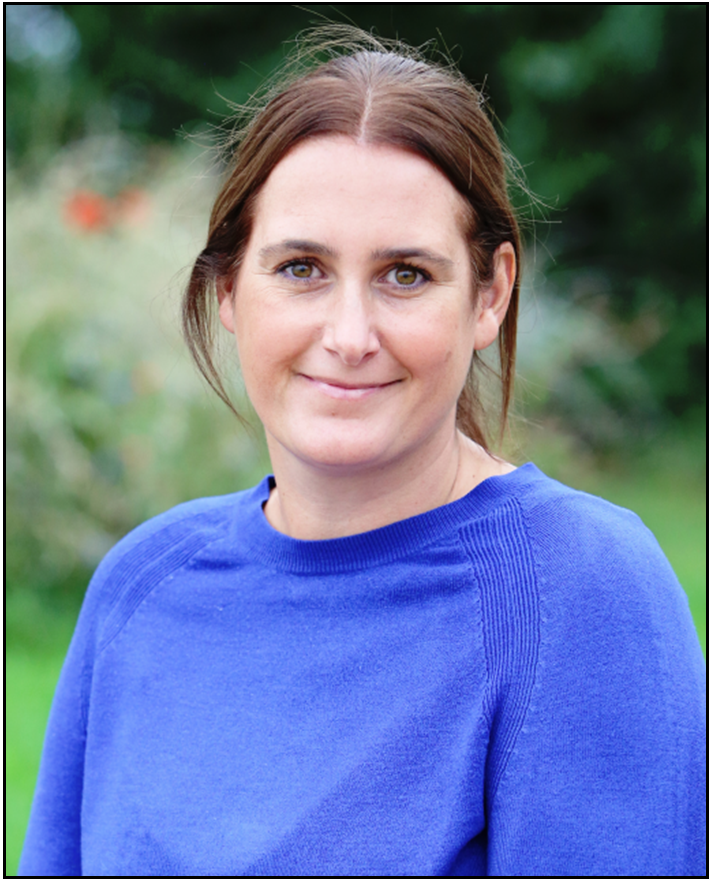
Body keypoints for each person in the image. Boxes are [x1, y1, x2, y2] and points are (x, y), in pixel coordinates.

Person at [18, 28, 705, 877]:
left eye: (405, 274)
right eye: (301, 268)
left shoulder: (581, 593)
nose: (349, 336)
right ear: (228, 288)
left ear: (489, 294)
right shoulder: (142, 585)